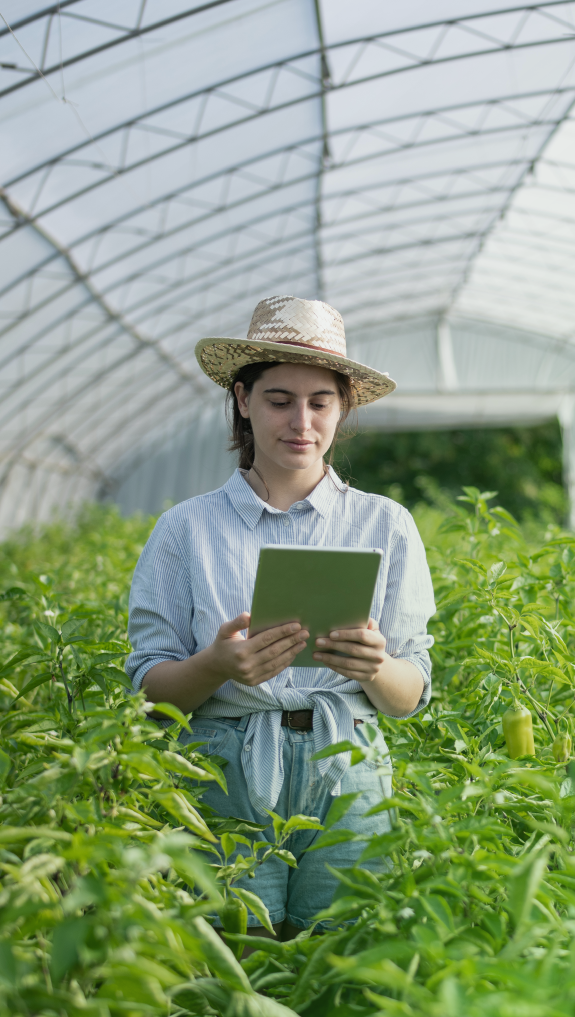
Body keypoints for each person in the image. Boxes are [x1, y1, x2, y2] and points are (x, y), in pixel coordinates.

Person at [125, 295, 435, 940]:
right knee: (236, 952)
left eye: (320, 402)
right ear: (242, 400)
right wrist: (215, 665)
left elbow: (409, 694)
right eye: (279, 400)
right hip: (222, 769)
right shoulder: (185, 530)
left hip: (347, 766)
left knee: (340, 954)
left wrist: (376, 668)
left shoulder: (384, 525)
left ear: (342, 408)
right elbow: (148, 692)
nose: (301, 422)